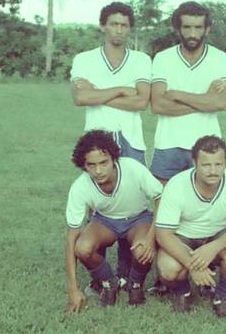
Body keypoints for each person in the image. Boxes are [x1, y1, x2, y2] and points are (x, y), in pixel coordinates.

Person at [70, 2, 152, 291]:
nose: (118, 29)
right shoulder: (84, 59)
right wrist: (120, 90)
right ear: (103, 25)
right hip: (96, 139)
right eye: (113, 24)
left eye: (124, 25)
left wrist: (99, 93)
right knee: (99, 201)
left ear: (130, 28)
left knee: (134, 204)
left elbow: (141, 101)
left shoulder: (141, 60)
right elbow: (80, 98)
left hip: (131, 139)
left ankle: (128, 273)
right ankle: (101, 277)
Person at [63, 130, 162, 313]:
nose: (98, 170)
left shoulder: (132, 168)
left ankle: (135, 284)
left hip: (138, 218)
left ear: (114, 159)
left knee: (142, 248)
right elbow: (71, 237)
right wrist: (73, 289)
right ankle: (109, 282)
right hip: (105, 221)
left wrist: (151, 237)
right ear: (83, 165)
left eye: (104, 163)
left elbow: (160, 197)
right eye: (91, 165)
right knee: (82, 248)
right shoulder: (80, 186)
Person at [154, 136, 226, 317]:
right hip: (184, 237)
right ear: (194, 163)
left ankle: (224, 295)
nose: (213, 171)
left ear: (225, 163)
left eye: (218, 164)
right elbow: (163, 234)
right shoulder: (176, 184)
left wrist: (214, 247)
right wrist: (193, 265)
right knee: (168, 267)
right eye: (206, 165)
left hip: (219, 235)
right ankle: (183, 292)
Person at [150, 1, 226, 184]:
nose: (192, 34)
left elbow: (220, 103)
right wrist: (206, 100)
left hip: (207, 146)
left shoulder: (219, 58)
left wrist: (177, 95)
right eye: (187, 27)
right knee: (163, 198)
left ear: (207, 29)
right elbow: (158, 105)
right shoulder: (163, 58)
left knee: (205, 199)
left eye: (198, 27)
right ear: (178, 29)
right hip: (168, 143)